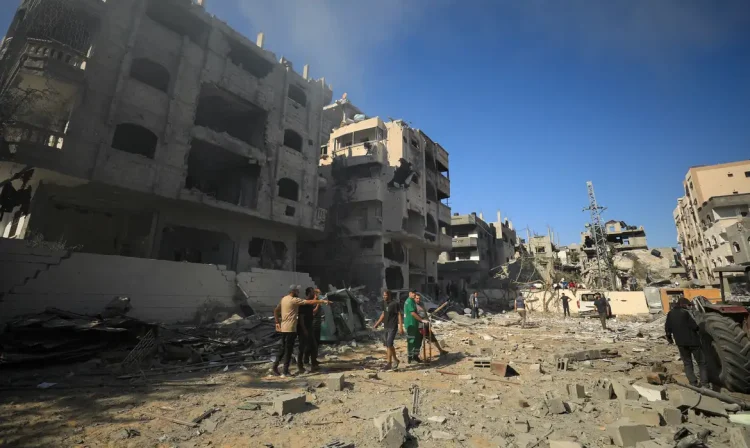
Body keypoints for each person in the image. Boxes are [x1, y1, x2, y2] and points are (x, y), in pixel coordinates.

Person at [272, 285, 330, 376]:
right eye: (297, 291)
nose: (298, 293)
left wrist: (277, 322)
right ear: (293, 291)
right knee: (289, 350)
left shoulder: (284, 299)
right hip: (291, 328)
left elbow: (276, 310)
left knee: (284, 349)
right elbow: (308, 303)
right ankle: (286, 371)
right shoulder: (294, 300)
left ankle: (275, 367)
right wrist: (322, 301)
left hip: (284, 328)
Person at [666, 297, 708, 387]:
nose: (688, 307)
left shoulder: (670, 314)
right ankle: (704, 383)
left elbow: (668, 329)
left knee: (687, 363)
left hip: (680, 343)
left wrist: (670, 339)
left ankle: (693, 383)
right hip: (693, 342)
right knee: (701, 362)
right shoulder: (685, 313)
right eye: (687, 305)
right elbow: (694, 327)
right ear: (682, 305)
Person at [372, 289, 404, 370]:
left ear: (389, 295)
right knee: (387, 345)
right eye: (383, 295)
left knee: (389, 343)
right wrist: (377, 323)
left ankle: (393, 361)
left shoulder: (395, 304)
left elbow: (399, 315)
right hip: (386, 326)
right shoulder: (384, 303)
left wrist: (401, 327)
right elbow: (383, 313)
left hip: (393, 326)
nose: (384, 296)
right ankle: (391, 362)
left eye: (385, 295)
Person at [296, 287, 316, 373]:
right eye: (312, 293)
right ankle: (300, 366)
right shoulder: (303, 303)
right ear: (308, 293)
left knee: (312, 346)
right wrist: (304, 330)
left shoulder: (310, 304)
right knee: (302, 348)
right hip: (303, 328)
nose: (314, 294)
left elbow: (311, 314)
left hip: (309, 327)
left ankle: (309, 363)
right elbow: (301, 318)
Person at [403, 289, 426, 363]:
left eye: (415, 293)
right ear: (409, 293)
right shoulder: (409, 301)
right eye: (413, 293)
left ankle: (415, 356)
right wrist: (421, 320)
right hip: (411, 324)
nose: (414, 294)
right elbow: (412, 313)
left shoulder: (412, 301)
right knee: (411, 341)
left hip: (415, 324)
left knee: (417, 340)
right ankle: (410, 358)